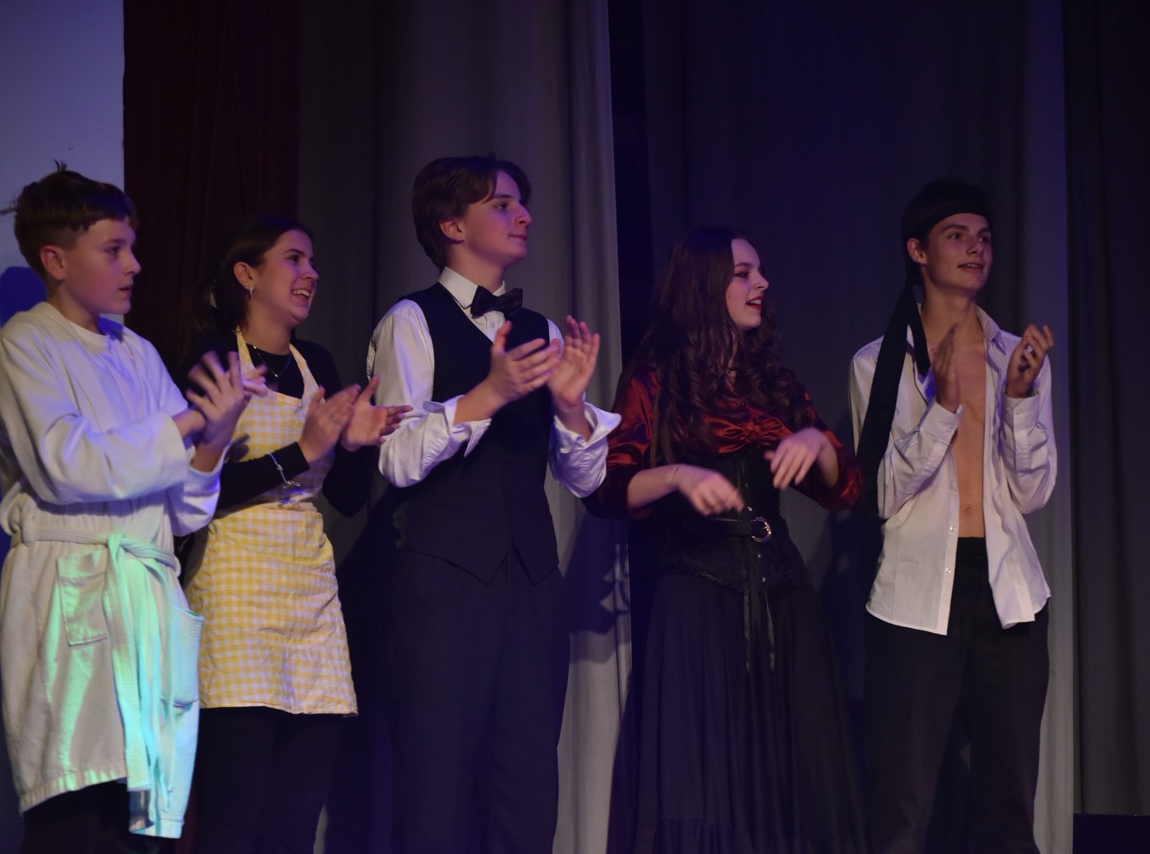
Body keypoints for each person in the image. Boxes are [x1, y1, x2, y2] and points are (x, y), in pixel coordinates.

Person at [0, 165, 252, 851]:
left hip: (145, 604)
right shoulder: (26, 345)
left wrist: (212, 439)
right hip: (73, 599)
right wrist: (188, 423)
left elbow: (183, 512)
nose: (134, 265)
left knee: (145, 819)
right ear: (56, 260)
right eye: (113, 249)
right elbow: (68, 465)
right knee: (77, 813)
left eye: (132, 247)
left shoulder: (140, 354)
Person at [583, 226, 868, 852]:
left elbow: (844, 488)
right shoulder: (656, 381)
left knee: (797, 776)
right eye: (743, 273)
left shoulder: (775, 385)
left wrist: (816, 443)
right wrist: (677, 475)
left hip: (783, 596)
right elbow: (605, 489)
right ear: (704, 286)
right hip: (697, 594)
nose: (761, 283)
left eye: (758, 271)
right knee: (707, 781)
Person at [366, 154, 619, 852]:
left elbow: (584, 479)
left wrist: (570, 407)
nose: (524, 216)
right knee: (437, 783)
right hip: (443, 583)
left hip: (531, 582)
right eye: (502, 205)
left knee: (527, 785)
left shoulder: (542, 330)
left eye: (520, 204)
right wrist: (487, 395)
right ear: (452, 225)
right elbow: (396, 456)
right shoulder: (411, 321)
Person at [178, 214, 408, 853]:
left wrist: (353, 445)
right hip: (236, 589)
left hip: (308, 592)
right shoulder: (214, 359)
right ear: (247, 275)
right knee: (235, 818)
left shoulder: (318, 363)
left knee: (295, 819)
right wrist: (303, 451)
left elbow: (346, 499)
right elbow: (196, 490)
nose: (311, 274)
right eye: (294, 259)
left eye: (312, 262)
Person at [849, 179, 1056, 853]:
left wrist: (1019, 400)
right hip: (916, 598)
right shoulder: (879, 364)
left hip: (1007, 593)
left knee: (1008, 807)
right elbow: (881, 494)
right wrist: (941, 407)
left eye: (984, 237)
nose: (976, 249)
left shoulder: (1013, 355)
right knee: (901, 807)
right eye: (957, 236)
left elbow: (1033, 494)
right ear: (918, 250)